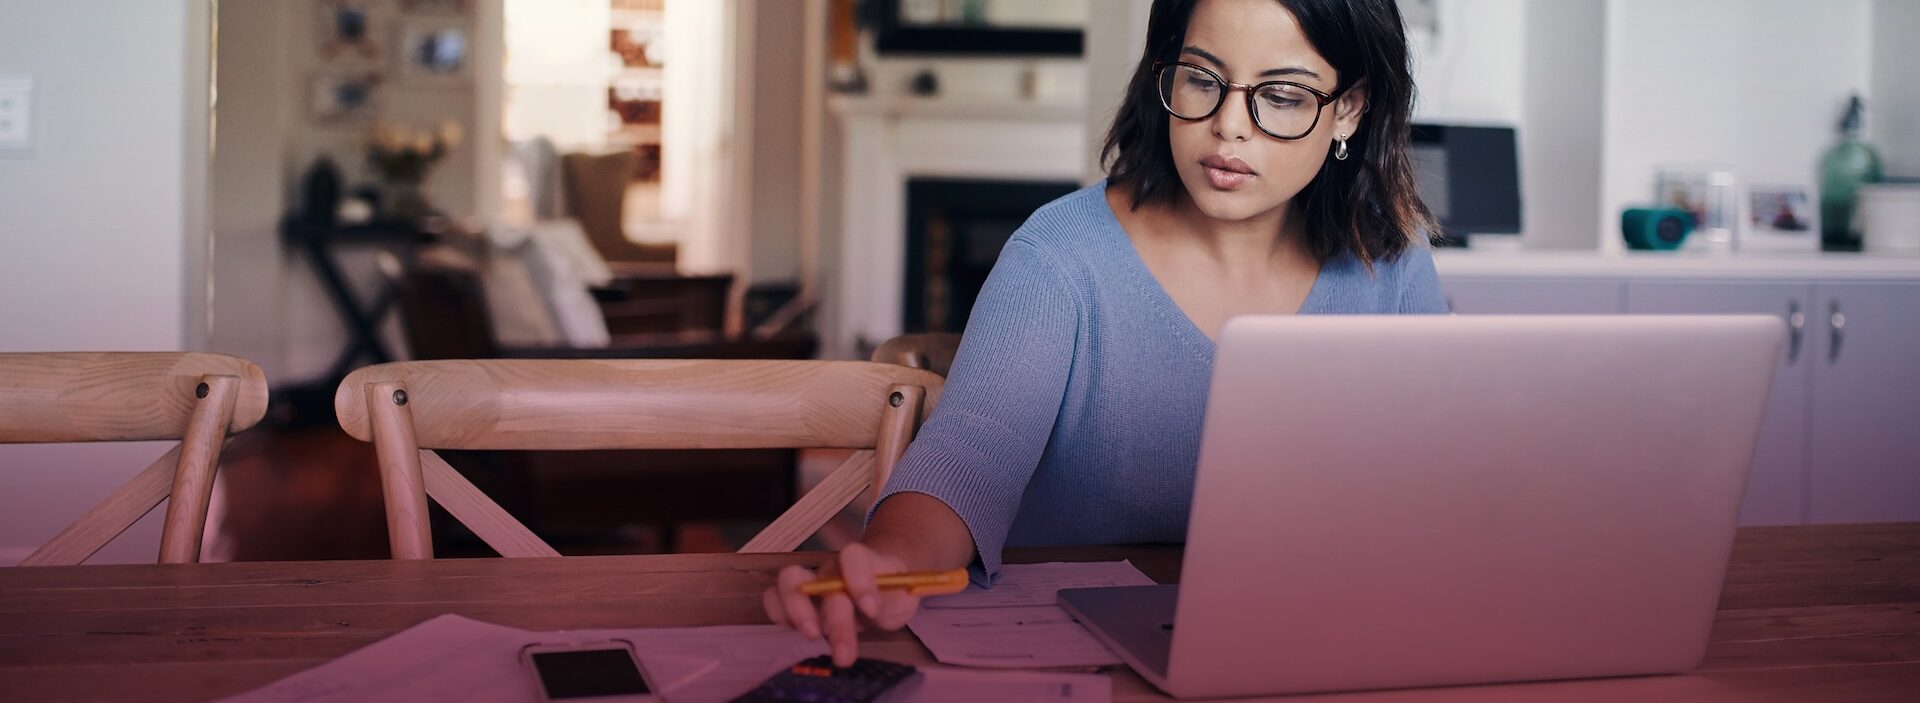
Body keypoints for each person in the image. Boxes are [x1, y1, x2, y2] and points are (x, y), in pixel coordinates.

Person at [765, 0, 1447, 665]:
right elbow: (968, 456)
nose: (1228, 126)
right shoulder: (1060, 255)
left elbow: (1441, 486)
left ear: (1349, 109)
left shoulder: (1391, 262)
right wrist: (887, 560)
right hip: (1072, 662)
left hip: (1306, 653)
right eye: (1202, 79)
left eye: (1285, 95)